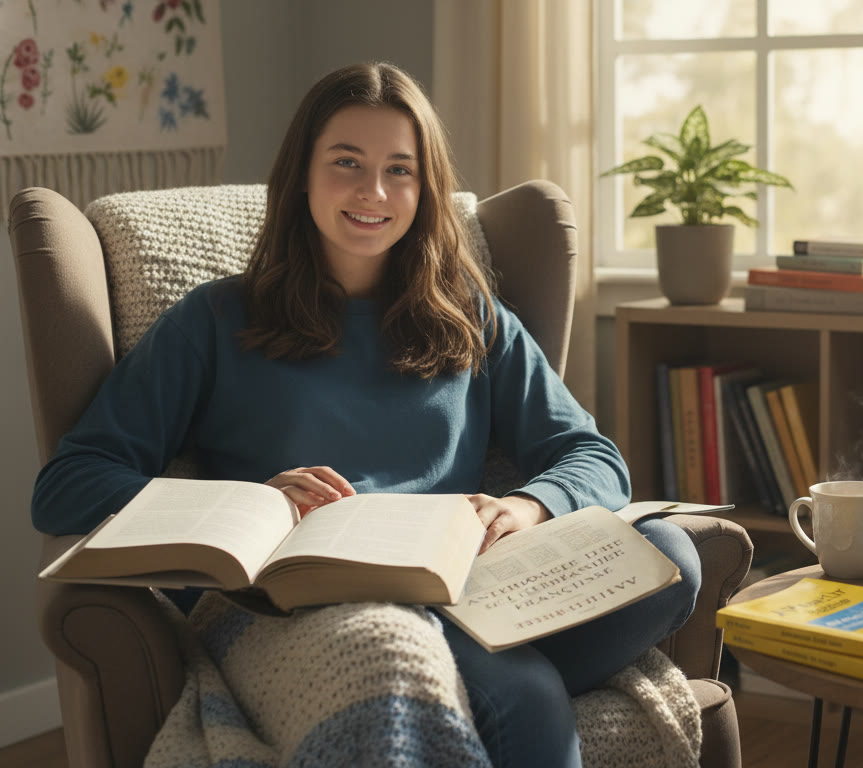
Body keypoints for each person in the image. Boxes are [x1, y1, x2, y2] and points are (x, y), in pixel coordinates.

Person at [30, 61, 701, 768]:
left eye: (399, 170)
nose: (373, 192)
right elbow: (69, 485)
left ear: (424, 185)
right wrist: (249, 502)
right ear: (303, 174)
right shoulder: (214, 320)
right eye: (346, 162)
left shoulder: (469, 315)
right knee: (528, 697)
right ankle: (468, 675)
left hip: (466, 590)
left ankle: (469, 661)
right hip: (300, 611)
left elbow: (595, 459)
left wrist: (532, 506)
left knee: (672, 557)